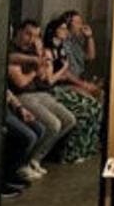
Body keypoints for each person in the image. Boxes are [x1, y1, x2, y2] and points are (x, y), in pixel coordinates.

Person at [7, 19, 76, 173]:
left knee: (69, 119)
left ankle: (36, 159)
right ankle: (26, 162)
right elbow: (21, 83)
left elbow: (45, 77)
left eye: (35, 36)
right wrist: (34, 68)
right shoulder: (10, 49)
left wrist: (40, 55)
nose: (31, 39)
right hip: (22, 95)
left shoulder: (33, 50)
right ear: (19, 32)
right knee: (54, 124)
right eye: (27, 34)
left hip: (39, 92)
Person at [42, 17, 103, 163]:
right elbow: (55, 76)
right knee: (83, 109)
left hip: (63, 84)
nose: (65, 31)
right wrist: (81, 84)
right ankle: (70, 152)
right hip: (54, 88)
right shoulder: (48, 49)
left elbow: (89, 57)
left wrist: (89, 38)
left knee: (94, 106)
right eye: (62, 29)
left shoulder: (63, 47)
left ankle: (86, 147)